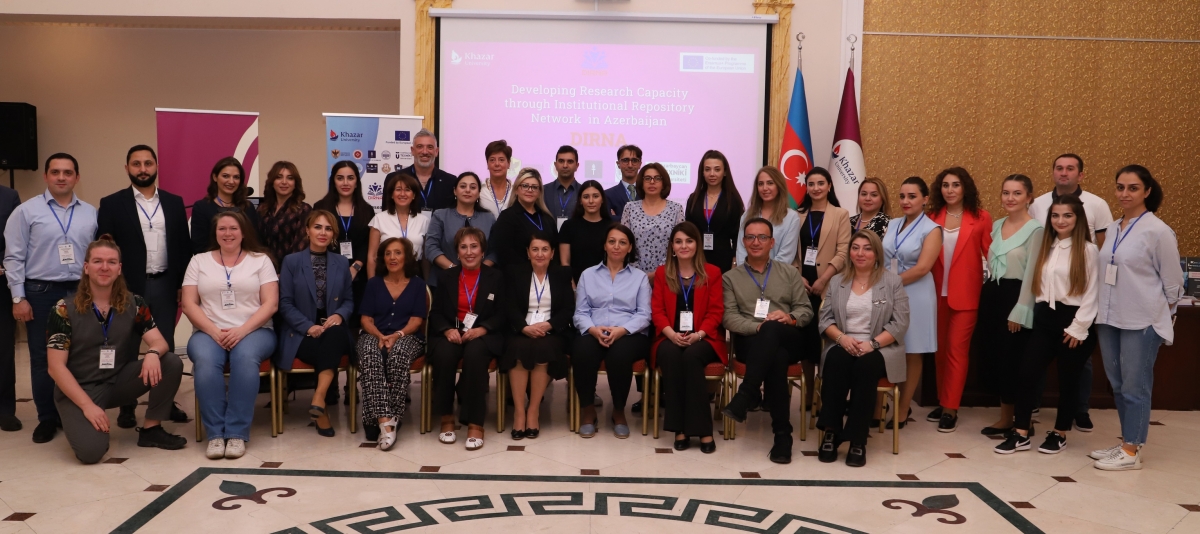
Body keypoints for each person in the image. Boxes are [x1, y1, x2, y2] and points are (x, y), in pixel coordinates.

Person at [46, 236, 188, 463]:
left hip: (117, 382)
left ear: (119, 269)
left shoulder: (134, 303)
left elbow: (159, 342)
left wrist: (152, 353)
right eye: (98, 261)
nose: (105, 267)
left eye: (111, 262)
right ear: (86, 267)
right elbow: (55, 368)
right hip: (79, 388)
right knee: (91, 453)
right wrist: (88, 406)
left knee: (170, 362)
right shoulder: (63, 309)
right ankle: (77, 418)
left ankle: (151, 430)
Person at [1091, 165, 1183, 471]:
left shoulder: (1158, 231)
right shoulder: (1113, 228)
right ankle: (1126, 441)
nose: (1125, 193)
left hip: (1141, 320)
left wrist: (1162, 316)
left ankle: (1132, 450)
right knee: (1118, 384)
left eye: (1132, 188)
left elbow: (1173, 284)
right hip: (1109, 317)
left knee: (1135, 386)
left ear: (1147, 191)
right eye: (1120, 187)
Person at [97, 145, 193, 428]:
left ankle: (163, 402)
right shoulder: (112, 203)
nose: (142, 169)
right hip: (126, 288)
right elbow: (105, 247)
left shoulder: (174, 202)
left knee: (166, 346)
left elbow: (183, 247)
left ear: (156, 167)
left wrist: (182, 283)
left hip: (164, 284)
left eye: (148, 163)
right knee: (126, 346)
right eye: (136, 164)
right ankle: (126, 405)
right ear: (127, 168)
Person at [4, 153, 99, 443]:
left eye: (67, 172)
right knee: (42, 357)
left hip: (81, 292)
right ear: (46, 176)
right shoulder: (26, 211)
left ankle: (76, 411)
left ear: (77, 178)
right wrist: (18, 298)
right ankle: (47, 418)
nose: (61, 177)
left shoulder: (91, 213)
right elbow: (13, 257)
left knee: (81, 355)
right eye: (55, 172)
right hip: (40, 292)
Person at [994, 196, 1098, 456]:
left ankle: (1060, 432)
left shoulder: (1088, 250)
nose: (1060, 220)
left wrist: (1079, 327)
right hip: (1045, 318)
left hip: (1073, 320)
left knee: (1068, 380)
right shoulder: (1046, 246)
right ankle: (1021, 433)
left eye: (1067, 215)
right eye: (1055, 215)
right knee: (1027, 374)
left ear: (1078, 219)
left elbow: (1093, 292)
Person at [1028, 154, 1114, 433]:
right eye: (1059, 168)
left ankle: (1080, 410)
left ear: (1081, 174)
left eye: (1070, 168)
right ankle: (1031, 408)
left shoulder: (1096, 204)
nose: (1064, 173)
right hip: (1047, 302)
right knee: (1034, 363)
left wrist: (1081, 322)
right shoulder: (1039, 204)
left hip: (1076, 301)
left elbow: (1103, 250)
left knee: (1077, 366)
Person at [181, 211, 278, 460]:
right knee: (204, 361)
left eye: (233, 228)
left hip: (255, 330)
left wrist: (242, 331)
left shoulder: (261, 261)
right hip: (208, 331)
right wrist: (214, 331)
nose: (228, 233)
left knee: (244, 359)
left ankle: (236, 433)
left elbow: (270, 304)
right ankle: (215, 434)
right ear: (215, 233)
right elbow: (189, 304)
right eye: (222, 229)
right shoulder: (198, 261)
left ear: (243, 232)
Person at [720, 217, 814, 464]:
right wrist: (757, 326)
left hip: (789, 336)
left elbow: (806, 310)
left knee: (774, 331)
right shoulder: (730, 277)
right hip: (751, 340)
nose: (756, 242)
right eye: (750, 237)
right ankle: (783, 435)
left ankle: (747, 393)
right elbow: (729, 317)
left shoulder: (789, 273)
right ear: (743, 241)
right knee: (776, 356)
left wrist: (789, 317)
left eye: (762, 237)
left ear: (772, 242)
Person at [816, 230, 909, 467]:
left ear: (876, 253)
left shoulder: (892, 282)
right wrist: (842, 339)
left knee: (866, 368)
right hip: (843, 342)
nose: (860, 253)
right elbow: (825, 320)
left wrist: (872, 344)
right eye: (855, 247)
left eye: (867, 248)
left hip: (879, 346)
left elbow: (900, 323)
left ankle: (858, 439)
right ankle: (831, 431)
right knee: (836, 362)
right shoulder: (837, 281)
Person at [277, 210, 356, 437]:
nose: (323, 232)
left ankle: (318, 398)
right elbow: (285, 303)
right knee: (329, 347)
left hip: (332, 329)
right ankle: (321, 406)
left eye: (328, 228)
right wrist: (308, 327)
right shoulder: (291, 262)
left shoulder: (341, 262)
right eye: (318, 227)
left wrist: (339, 315)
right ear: (307, 231)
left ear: (334, 234)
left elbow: (349, 300)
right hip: (300, 334)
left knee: (336, 335)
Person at [974, 175, 1043, 436]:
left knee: (1015, 360)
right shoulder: (998, 224)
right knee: (996, 357)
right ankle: (1005, 418)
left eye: (1017, 193)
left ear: (1029, 197)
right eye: (1006, 193)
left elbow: (1033, 272)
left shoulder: (1036, 230)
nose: (1010, 198)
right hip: (994, 293)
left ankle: (1023, 421)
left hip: (1018, 297)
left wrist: (1021, 309)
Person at [927, 167, 992, 432]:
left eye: (955, 185)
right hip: (934, 294)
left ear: (965, 188)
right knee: (940, 352)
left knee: (956, 350)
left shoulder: (981, 217)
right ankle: (944, 400)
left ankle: (951, 409)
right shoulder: (931, 217)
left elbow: (990, 254)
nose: (950, 190)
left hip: (966, 296)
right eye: (945, 185)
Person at [652, 222, 726, 453]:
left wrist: (698, 334)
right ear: (672, 247)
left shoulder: (713, 272)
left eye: (689, 241)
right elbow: (657, 311)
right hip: (669, 336)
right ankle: (679, 429)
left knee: (692, 356)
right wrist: (671, 334)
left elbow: (716, 312)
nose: (684, 246)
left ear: (697, 245)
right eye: (678, 241)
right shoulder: (662, 273)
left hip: (704, 337)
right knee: (671, 356)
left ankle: (703, 430)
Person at [428, 227, 505, 450]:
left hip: (482, 334)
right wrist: (446, 330)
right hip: (452, 332)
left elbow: (503, 313)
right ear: (457, 252)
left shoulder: (496, 277)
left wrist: (483, 329)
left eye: (474, 246)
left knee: (475, 355)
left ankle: (475, 423)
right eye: (463, 247)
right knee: (443, 355)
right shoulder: (446, 277)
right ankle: (446, 418)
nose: (469, 252)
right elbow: (436, 313)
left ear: (483, 251)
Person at [572, 224, 652, 438]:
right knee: (582, 351)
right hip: (594, 329)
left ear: (630, 248)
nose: (617, 246)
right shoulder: (588, 275)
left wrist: (621, 330)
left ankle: (618, 411)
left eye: (622, 242)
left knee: (619, 354)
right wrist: (593, 330)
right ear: (605, 246)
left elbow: (644, 314)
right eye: (612, 241)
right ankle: (588, 411)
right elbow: (580, 312)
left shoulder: (640, 277)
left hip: (629, 333)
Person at [883, 177, 942, 429]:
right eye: (902, 196)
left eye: (912, 196)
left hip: (915, 293)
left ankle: (903, 408)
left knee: (912, 350)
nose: (905, 201)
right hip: (888, 292)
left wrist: (889, 283)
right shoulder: (892, 224)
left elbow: (923, 268)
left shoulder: (932, 229)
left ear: (925, 199)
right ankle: (879, 404)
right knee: (886, 345)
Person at [357, 237, 427, 450]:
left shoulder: (418, 284)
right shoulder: (374, 283)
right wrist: (380, 335)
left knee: (398, 355)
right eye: (387, 253)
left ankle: (381, 419)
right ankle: (386, 422)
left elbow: (416, 321)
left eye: (397, 252)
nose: (392, 257)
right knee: (369, 352)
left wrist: (397, 335)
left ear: (407, 257)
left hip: (407, 336)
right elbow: (365, 319)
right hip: (374, 334)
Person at [503, 232, 574, 440]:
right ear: (528, 252)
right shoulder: (515, 273)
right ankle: (519, 412)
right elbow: (508, 306)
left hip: (551, 331)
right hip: (521, 329)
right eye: (535, 249)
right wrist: (523, 327)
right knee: (518, 347)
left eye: (545, 249)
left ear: (552, 253)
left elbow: (568, 309)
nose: (540, 254)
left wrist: (549, 325)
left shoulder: (562, 274)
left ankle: (533, 410)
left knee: (544, 348)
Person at [794, 167, 851, 364]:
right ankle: (807, 383)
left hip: (828, 284)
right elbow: (792, 251)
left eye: (820, 183)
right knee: (805, 340)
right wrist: (797, 276)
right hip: (802, 285)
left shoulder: (841, 214)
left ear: (829, 186)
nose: (816, 188)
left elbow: (843, 252)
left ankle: (824, 381)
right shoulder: (797, 215)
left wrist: (823, 279)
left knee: (823, 338)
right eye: (811, 184)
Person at [313, 161, 372, 316]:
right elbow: (317, 240)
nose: (345, 183)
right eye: (340, 178)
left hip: (358, 274)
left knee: (356, 316)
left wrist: (356, 267)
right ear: (333, 181)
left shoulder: (367, 210)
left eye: (350, 178)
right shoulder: (321, 207)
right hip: (327, 272)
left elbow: (368, 243)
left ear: (356, 182)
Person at [425, 172, 497, 286]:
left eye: (472, 187)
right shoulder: (440, 216)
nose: (467, 190)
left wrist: (481, 270)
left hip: (481, 281)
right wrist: (453, 270)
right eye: (463, 186)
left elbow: (494, 251)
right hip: (445, 280)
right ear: (455, 191)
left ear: (479, 193)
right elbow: (431, 248)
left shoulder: (489, 218)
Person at [685, 150, 745, 273]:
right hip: (696, 259)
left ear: (725, 172)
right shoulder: (694, 198)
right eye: (707, 169)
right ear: (702, 172)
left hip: (724, 260)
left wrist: (735, 261)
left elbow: (737, 235)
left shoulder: (733, 200)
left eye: (717, 169)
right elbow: (688, 231)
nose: (712, 174)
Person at [621, 163, 685, 276]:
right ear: (641, 183)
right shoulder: (630, 208)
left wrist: (658, 273)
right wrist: (640, 275)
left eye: (657, 178)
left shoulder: (676, 209)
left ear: (664, 183)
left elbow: (679, 244)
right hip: (633, 275)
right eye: (647, 178)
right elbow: (624, 242)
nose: (652, 182)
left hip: (667, 274)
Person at [489, 168, 559, 270]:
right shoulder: (507, 218)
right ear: (516, 190)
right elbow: (503, 254)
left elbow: (556, 251)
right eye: (525, 186)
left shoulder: (548, 219)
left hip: (546, 275)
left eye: (534, 187)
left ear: (539, 192)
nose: (530, 190)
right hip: (517, 275)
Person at [190, 157, 260, 255]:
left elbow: (254, 242)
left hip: (245, 261)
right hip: (212, 262)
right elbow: (199, 246)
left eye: (236, 177)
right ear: (215, 177)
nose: (231, 181)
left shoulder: (248, 207)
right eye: (226, 176)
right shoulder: (202, 207)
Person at [367, 173, 430, 277]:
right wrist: (371, 282)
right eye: (398, 189)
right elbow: (372, 256)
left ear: (414, 195)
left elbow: (426, 258)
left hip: (414, 274)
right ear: (392, 194)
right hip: (386, 273)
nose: (402, 194)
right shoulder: (379, 219)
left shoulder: (424, 221)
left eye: (407, 190)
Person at [735, 166, 801, 265]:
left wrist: (766, 272)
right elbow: (741, 251)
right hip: (747, 273)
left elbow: (786, 255)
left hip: (778, 273)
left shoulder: (791, 217)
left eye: (770, 183)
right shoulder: (747, 215)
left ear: (779, 186)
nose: (765, 188)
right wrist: (746, 272)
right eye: (760, 184)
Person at [256, 161, 313, 270]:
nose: (284, 182)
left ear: (295, 183)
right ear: (272, 181)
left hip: (291, 271)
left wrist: (284, 273)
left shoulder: (303, 210)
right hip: (263, 270)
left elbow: (301, 246)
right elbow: (256, 243)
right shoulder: (262, 209)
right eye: (279, 177)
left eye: (290, 178)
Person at [387, 128, 456, 212]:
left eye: (430, 147)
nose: (425, 152)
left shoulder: (450, 181)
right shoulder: (393, 178)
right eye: (420, 147)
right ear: (412, 151)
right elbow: (387, 213)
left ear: (436, 151)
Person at [559, 180, 614, 284]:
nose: (591, 201)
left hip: (606, 286)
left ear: (602, 199)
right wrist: (573, 287)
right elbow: (565, 262)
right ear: (580, 200)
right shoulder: (568, 226)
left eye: (595, 196)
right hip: (576, 285)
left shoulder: (612, 227)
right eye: (586, 197)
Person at [0, 182, 19, 432]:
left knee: (3, 349)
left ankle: (4, 409)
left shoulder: (9, 196)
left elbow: (16, 239)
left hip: (0, 283)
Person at [544, 145, 582, 226]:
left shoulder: (584, 192)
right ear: (555, 165)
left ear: (577, 166)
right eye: (561, 161)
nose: (565, 165)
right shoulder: (543, 191)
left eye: (570, 162)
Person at [605, 145, 643, 220]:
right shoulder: (607, 195)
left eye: (634, 160)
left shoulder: (648, 193)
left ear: (640, 164)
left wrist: (618, 218)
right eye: (625, 160)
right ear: (618, 164)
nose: (630, 165)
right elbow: (608, 221)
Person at [478, 140, 513, 218]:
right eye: (492, 160)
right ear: (487, 164)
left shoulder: (516, 191)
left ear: (508, 163)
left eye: (501, 160)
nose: (497, 164)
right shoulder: (479, 190)